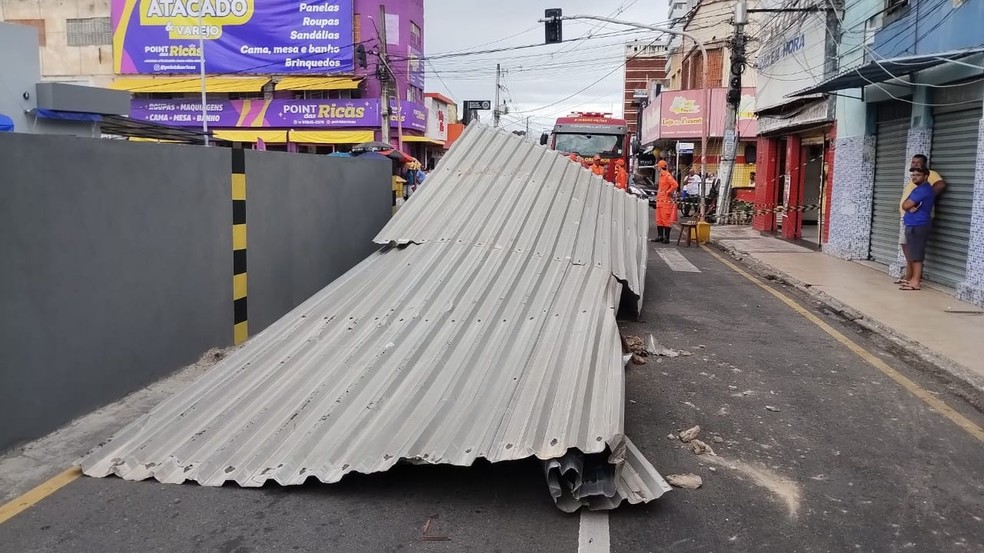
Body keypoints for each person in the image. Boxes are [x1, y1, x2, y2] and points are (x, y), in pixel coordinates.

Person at [897, 154, 945, 285]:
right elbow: (906, 204)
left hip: (919, 220)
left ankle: (914, 279)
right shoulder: (915, 181)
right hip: (910, 219)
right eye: (913, 162)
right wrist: (910, 205)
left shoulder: (930, 177)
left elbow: (940, 185)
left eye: (918, 163)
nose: (915, 165)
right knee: (907, 245)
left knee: (915, 249)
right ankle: (910, 276)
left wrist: (923, 200)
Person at [899, 166, 936, 291]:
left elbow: (906, 204)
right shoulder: (918, 189)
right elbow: (905, 204)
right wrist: (907, 206)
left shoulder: (924, 190)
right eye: (913, 175)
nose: (914, 177)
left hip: (918, 224)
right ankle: (912, 280)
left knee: (917, 254)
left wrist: (907, 206)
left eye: (918, 175)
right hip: (913, 223)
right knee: (914, 253)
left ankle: (915, 282)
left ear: (926, 176)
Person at [651, 160, 679, 243]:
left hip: (665, 202)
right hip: (660, 201)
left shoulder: (667, 175)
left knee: (666, 220)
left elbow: (675, 185)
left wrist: (668, 192)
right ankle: (660, 236)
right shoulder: (661, 175)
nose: (657, 168)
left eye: (658, 167)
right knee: (659, 220)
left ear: (660, 167)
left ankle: (666, 238)